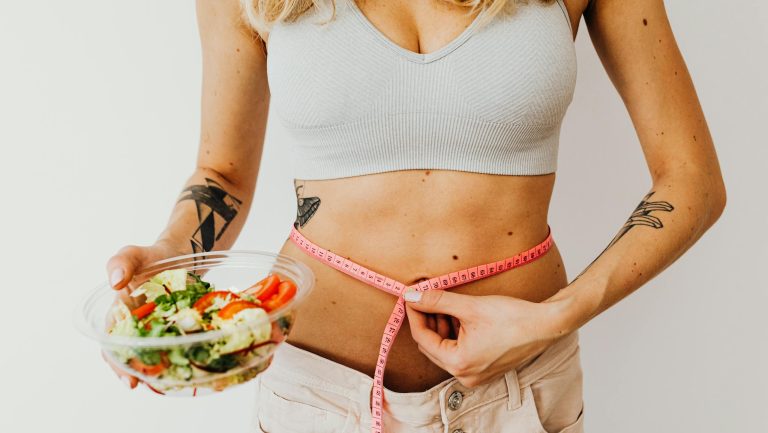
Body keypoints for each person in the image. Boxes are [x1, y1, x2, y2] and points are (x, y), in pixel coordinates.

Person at [104, 0, 726, 432]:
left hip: (519, 393)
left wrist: (556, 316)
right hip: (317, 392)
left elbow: (692, 181)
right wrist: (168, 257)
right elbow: (223, 177)